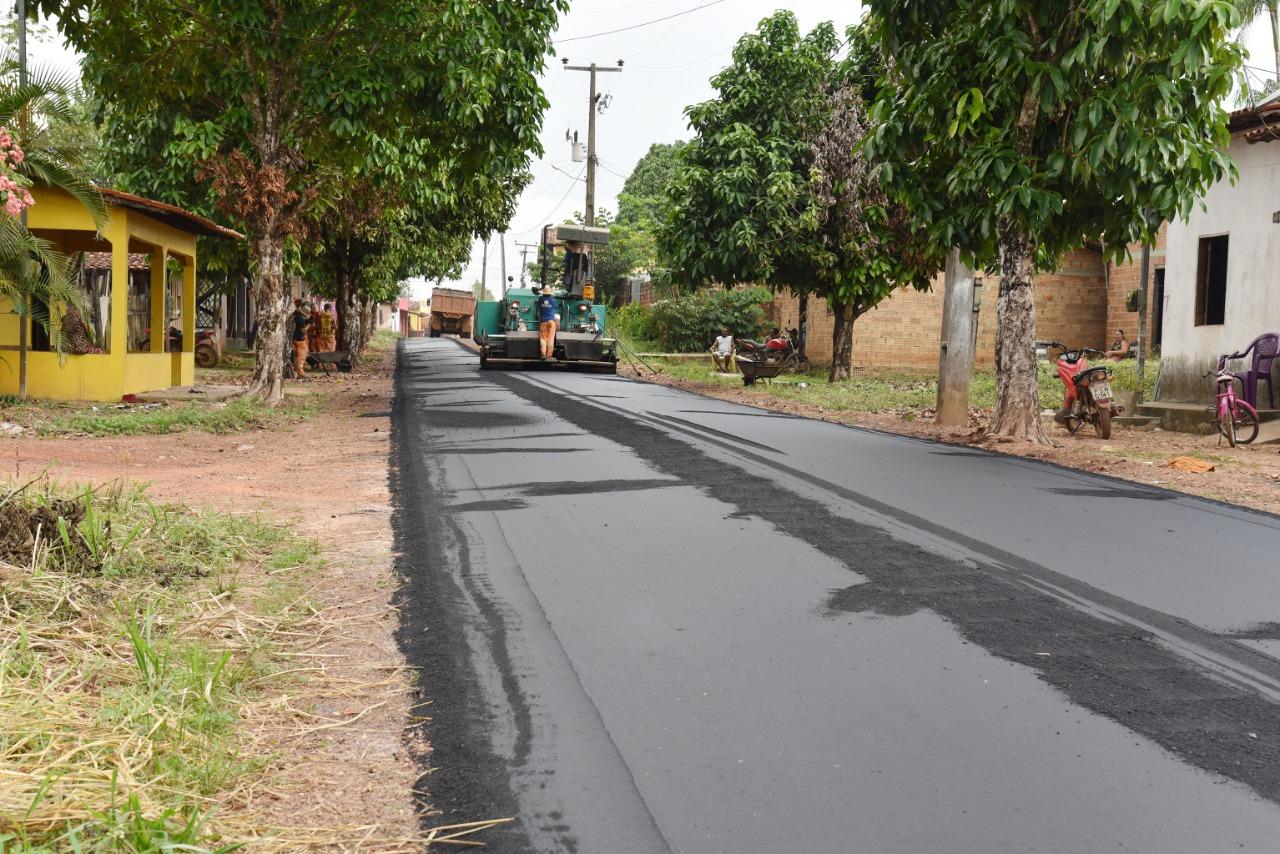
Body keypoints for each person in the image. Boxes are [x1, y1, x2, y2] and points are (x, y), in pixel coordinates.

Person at [290, 299, 313, 377]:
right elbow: (303, 330)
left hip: (295, 338)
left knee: (298, 356)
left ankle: (298, 371)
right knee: (301, 356)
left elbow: (302, 324)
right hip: (299, 339)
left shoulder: (297, 315)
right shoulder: (300, 318)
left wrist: (308, 321)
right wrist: (309, 324)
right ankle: (301, 373)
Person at [536, 287, 559, 360]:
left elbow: (538, 305)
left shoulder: (540, 299)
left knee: (543, 339)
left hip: (543, 322)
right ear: (550, 294)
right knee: (550, 339)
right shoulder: (554, 300)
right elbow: (556, 307)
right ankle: (549, 356)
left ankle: (543, 354)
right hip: (551, 322)